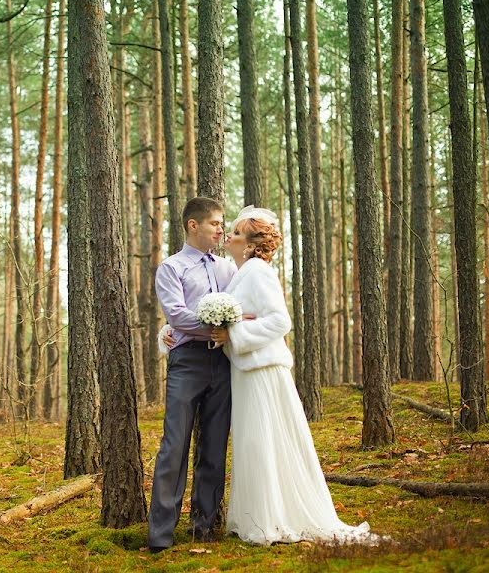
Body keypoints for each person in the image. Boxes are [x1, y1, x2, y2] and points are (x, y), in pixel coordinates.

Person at [166, 205, 381, 546]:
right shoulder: (238, 272)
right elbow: (215, 307)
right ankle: (260, 515)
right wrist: (172, 328)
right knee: (254, 443)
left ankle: (271, 519)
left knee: (265, 441)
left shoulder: (257, 271)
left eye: (234, 233)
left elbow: (280, 321)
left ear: (250, 244)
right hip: (245, 371)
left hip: (262, 370)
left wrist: (233, 334)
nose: (228, 236)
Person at [147, 197, 237, 552]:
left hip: (224, 362)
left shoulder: (229, 269)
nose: (220, 229)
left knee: (214, 445)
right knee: (174, 445)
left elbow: (242, 309)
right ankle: (160, 535)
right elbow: (177, 314)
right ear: (193, 225)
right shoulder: (172, 268)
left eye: (222, 223)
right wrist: (213, 325)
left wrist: (229, 331)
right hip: (187, 362)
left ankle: (204, 527)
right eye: (215, 223)